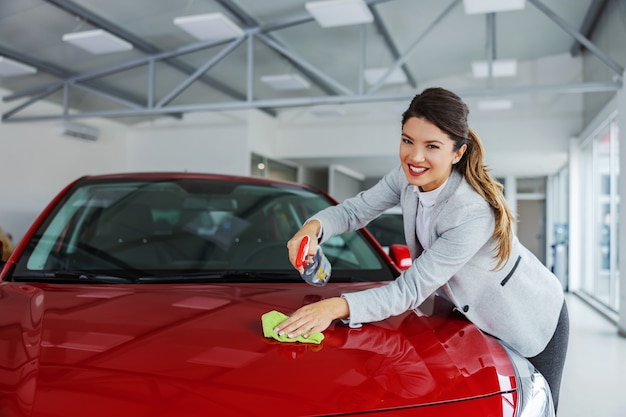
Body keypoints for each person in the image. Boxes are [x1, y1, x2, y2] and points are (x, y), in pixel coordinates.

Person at [277, 87, 569, 412]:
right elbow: (353, 211)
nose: (415, 157)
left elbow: (410, 289)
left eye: (431, 146)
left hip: (529, 316)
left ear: (457, 152)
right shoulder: (405, 179)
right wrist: (313, 228)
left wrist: (334, 308)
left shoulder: (471, 212)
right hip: (467, 317)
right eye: (407, 141)